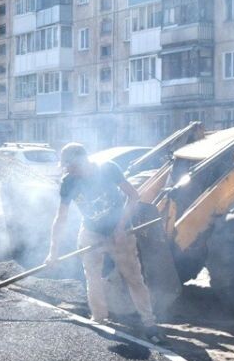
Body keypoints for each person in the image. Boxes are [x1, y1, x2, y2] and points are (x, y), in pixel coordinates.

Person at [45, 142, 162, 343]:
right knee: (92, 277)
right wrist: (52, 252)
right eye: (66, 167)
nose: (69, 171)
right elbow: (60, 218)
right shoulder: (68, 182)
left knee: (134, 277)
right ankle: (99, 319)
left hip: (121, 232)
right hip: (91, 232)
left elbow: (133, 196)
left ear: (83, 160)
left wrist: (121, 227)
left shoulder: (108, 169)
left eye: (72, 166)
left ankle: (149, 322)